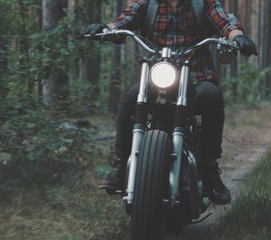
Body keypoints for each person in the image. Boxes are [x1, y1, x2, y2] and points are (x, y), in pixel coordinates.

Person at [85, 0, 257, 205]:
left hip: (196, 77)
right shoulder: (147, 4)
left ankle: (210, 170)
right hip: (158, 79)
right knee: (131, 98)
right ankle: (121, 165)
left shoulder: (202, 4)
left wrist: (238, 38)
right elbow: (124, 21)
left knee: (212, 96)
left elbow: (224, 22)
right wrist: (107, 29)